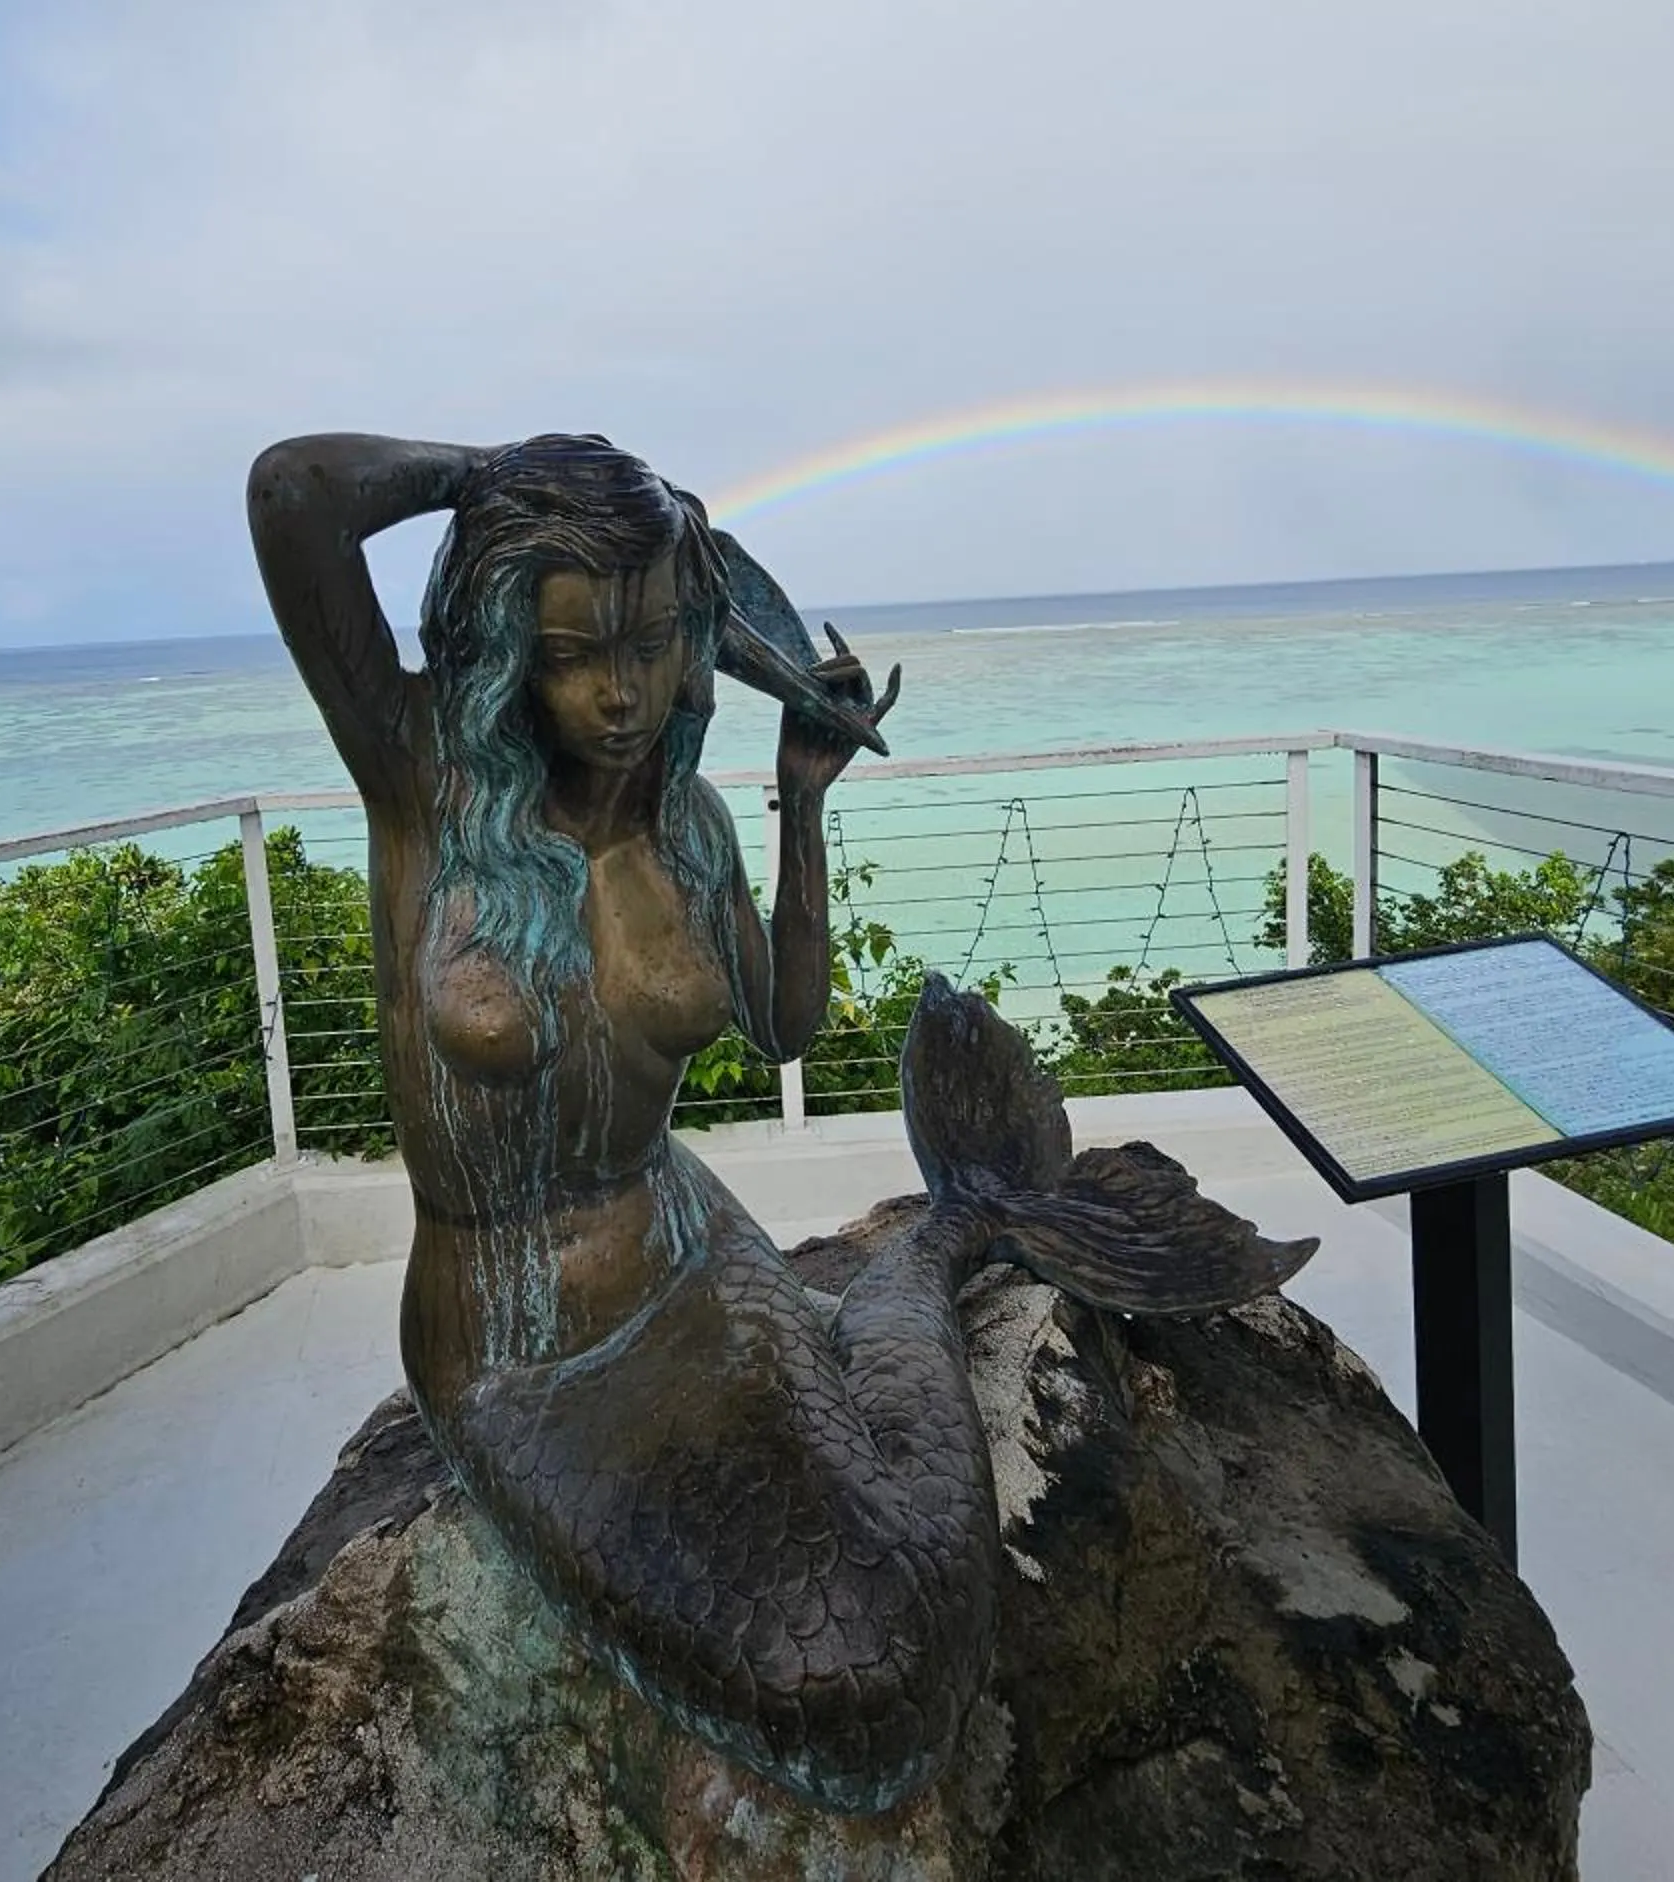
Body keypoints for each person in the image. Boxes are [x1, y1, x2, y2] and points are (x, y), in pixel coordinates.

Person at [249, 431, 1309, 1811]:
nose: (621, 693)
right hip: (518, 1352)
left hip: (692, 1250)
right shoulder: (425, 786)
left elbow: (787, 1026)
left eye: (652, 643)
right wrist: (515, 471)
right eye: (574, 654)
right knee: (847, 1686)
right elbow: (294, 495)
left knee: (893, 1624)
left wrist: (799, 802)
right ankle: (970, 1225)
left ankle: (963, 1225)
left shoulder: (686, 824)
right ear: (509, 653)